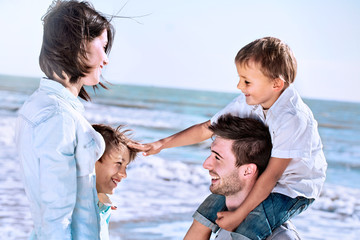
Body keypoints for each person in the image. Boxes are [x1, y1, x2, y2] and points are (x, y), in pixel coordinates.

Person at [132, 37, 327, 239]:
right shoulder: (249, 101)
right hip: (260, 176)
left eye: (247, 81)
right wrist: (161, 144)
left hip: (292, 189)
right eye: (240, 78)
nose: (239, 86)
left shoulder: (292, 118)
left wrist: (239, 215)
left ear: (276, 84)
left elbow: (273, 176)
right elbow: (206, 128)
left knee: (249, 225)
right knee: (207, 211)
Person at [15, 1, 115, 239]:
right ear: (79, 44)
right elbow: (56, 214)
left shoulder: (41, 106)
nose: (106, 59)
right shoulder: (57, 116)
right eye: (102, 45)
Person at [184, 114, 301, 240]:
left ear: (247, 171)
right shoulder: (224, 222)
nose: (206, 164)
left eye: (217, 157)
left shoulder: (280, 237)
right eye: (210, 154)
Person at [92, 124, 139, 240]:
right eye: (119, 163)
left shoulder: (103, 205)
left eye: (126, 167)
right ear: (93, 158)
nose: (124, 174)